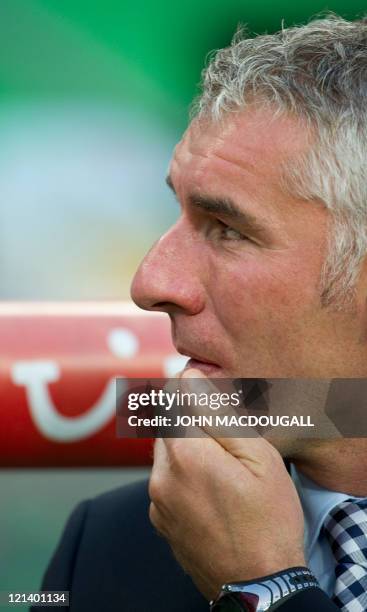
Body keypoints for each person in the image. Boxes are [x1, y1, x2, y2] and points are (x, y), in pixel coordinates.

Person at [34, 14, 367, 611]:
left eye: (228, 230)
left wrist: (266, 588)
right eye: (179, 213)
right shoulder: (111, 544)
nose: (150, 283)